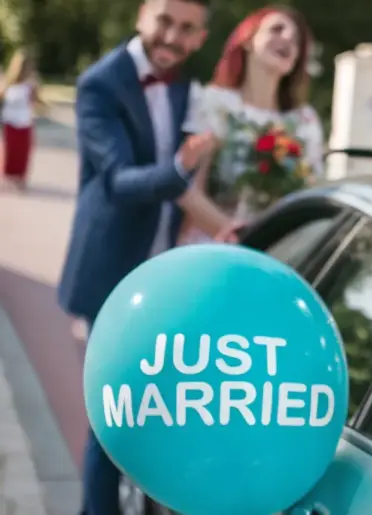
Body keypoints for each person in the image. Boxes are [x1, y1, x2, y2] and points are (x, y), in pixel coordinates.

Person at [56, 0, 224, 513]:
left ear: (201, 37)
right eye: (164, 21)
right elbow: (119, 181)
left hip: (161, 272)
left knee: (147, 411)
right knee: (112, 415)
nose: (172, 37)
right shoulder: (99, 83)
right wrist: (179, 168)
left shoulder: (186, 86)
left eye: (186, 28)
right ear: (141, 16)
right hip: (108, 268)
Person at [179, 5, 324, 244]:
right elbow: (187, 190)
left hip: (276, 250)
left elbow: (310, 196)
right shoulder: (214, 104)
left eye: (297, 40)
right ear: (247, 40)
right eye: (277, 29)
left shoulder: (304, 122)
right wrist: (240, 237)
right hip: (212, 245)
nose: (288, 38)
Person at [0, 49, 45, 191]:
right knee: (10, 152)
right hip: (10, 122)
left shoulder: (31, 84)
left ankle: (20, 178)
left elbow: (36, 101)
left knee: (22, 152)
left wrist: (39, 103)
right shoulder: (8, 82)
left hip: (24, 122)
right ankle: (9, 177)